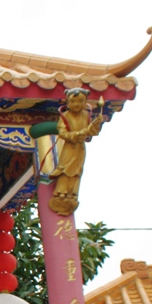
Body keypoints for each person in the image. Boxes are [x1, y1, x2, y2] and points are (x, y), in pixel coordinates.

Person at [48, 87, 103, 216]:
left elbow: (92, 132)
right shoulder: (66, 116)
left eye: (80, 101)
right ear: (68, 103)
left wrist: (96, 124)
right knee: (66, 169)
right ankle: (61, 192)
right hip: (69, 147)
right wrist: (78, 134)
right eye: (73, 102)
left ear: (85, 102)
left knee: (77, 171)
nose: (76, 105)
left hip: (80, 148)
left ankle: (72, 193)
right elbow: (63, 133)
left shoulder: (85, 115)